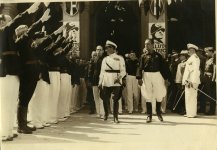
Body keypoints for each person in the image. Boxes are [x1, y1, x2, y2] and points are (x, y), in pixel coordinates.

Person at [0, 2, 42, 141]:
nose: (12, 25)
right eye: (9, 22)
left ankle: (9, 130)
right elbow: (16, 22)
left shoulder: (9, 37)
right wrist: (29, 11)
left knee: (11, 103)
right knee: (6, 104)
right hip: (7, 73)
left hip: (13, 73)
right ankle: (4, 133)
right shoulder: (4, 32)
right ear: (3, 23)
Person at [15, 8, 51, 134]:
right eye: (25, 31)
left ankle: (23, 123)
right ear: (20, 33)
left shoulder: (29, 43)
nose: (28, 32)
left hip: (32, 72)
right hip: (26, 72)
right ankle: (21, 125)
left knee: (27, 98)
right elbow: (31, 32)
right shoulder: (20, 41)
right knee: (24, 98)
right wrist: (41, 21)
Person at [137, 39, 172, 123]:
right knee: (148, 94)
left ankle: (159, 113)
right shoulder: (143, 56)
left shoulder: (158, 56)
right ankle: (149, 115)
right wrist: (139, 78)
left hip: (157, 75)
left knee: (159, 93)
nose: (146, 46)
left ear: (153, 45)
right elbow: (140, 67)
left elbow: (164, 68)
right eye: (145, 44)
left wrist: (166, 79)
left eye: (148, 44)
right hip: (147, 76)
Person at [99, 40, 126, 123]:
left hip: (116, 80)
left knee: (116, 99)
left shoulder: (120, 58)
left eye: (107, 48)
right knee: (105, 98)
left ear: (112, 48)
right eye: (106, 48)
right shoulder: (105, 59)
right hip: (106, 80)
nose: (106, 50)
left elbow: (123, 71)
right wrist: (100, 82)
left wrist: (120, 78)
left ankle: (115, 116)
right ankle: (106, 114)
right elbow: (102, 72)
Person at [182, 43, 201, 118]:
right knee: (188, 96)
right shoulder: (191, 58)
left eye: (189, 50)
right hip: (188, 80)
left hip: (192, 81)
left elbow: (196, 71)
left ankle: (192, 113)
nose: (188, 52)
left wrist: (193, 81)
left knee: (192, 97)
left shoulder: (195, 58)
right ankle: (189, 112)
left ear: (193, 50)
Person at [200, 47, 216, 115]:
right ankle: (202, 109)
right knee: (203, 94)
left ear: (211, 52)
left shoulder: (214, 59)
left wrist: (213, 80)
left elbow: (215, 71)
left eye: (207, 52)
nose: (206, 54)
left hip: (210, 79)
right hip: (205, 79)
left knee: (211, 95)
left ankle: (211, 111)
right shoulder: (208, 59)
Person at [174, 50, 188, 114]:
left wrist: (183, 82)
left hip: (182, 81)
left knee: (182, 97)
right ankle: (179, 109)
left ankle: (183, 110)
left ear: (185, 56)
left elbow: (184, 74)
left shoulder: (185, 64)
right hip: (178, 81)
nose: (180, 57)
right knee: (180, 95)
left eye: (181, 56)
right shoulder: (180, 63)